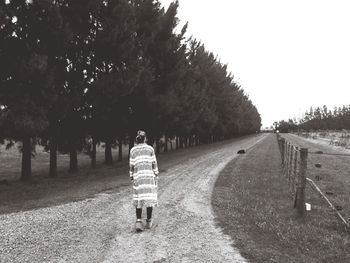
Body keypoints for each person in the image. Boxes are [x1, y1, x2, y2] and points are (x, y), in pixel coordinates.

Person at [129, 130, 159, 231]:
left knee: (139, 199)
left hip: (138, 177)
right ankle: (149, 222)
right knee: (149, 198)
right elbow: (154, 163)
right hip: (149, 176)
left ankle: (138, 222)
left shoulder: (133, 150)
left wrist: (132, 177)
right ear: (145, 138)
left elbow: (131, 166)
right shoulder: (150, 149)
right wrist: (156, 174)